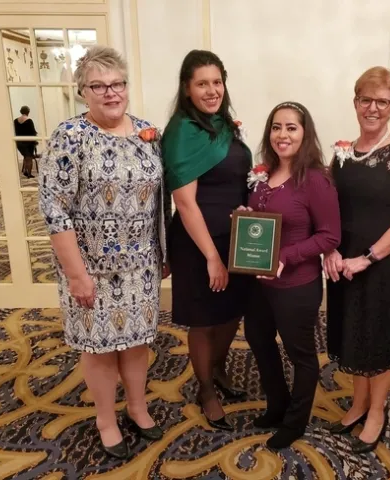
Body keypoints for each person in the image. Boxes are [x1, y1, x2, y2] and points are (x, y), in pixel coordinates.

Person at [39, 45, 171, 459]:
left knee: (136, 343)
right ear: (83, 92)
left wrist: (163, 252)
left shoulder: (148, 132)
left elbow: (159, 198)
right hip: (90, 266)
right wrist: (77, 274)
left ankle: (136, 406)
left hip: (141, 267)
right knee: (99, 347)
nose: (111, 93)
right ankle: (105, 419)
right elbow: (54, 208)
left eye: (118, 84)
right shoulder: (70, 136)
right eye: (99, 86)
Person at [323, 67, 390, 454]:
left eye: (382, 101)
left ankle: (377, 411)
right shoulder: (343, 152)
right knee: (353, 333)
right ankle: (358, 403)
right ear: (355, 102)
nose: (373, 108)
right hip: (343, 262)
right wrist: (329, 250)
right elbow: (328, 207)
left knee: (378, 337)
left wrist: (367, 258)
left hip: (382, 263)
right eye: (366, 99)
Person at [161, 50, 252, 431]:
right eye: (202, 83)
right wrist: (213, 257)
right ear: (187, 88)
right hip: (198, 242)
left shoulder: (224, 125)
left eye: (217, 82)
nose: (212, 90)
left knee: (231, 311)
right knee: (202, 320)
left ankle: (216, 368)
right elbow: (184, 202)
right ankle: (205, 389)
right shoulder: (182, 132)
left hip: (235, 237)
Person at [243, 101, 341, 449]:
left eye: (291, 128)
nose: (282, 134)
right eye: (276, 127)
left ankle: (296, 421)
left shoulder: (315, 179)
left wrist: (286, 256)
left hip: (296, 285)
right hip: (258, 284)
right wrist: (245, 215)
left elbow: (330, 235)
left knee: (301, 354)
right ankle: (278, 404)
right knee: (258, 339)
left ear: (305, 134)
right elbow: (260, 224)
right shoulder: (262, 176)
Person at [14, 106, 38, 178]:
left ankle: (25, 170)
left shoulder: (15, 121)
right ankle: (28, 173)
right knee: (29, 157)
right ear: (28, 112)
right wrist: (35, 140)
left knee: (25, 156)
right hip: (28, 142)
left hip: (19, 142)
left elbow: (15, 131)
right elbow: (33, 132)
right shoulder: (29, 120)